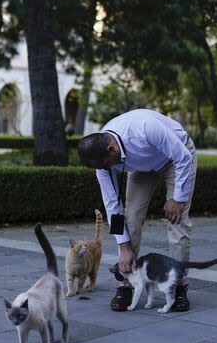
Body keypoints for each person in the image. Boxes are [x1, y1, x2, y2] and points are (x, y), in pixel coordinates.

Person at [77, 109, 197, 312]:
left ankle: (179, 286)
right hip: (142, 166)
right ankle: (125, 283)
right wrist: (123, 246)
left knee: (178, 220)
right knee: (131, 217)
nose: (105, 170)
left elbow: (183, 157)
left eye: (107, 165)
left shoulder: (145, 128)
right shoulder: (102, 162)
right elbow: (113, 205)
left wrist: (178, 199)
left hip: (176, 158)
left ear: (112, 149)